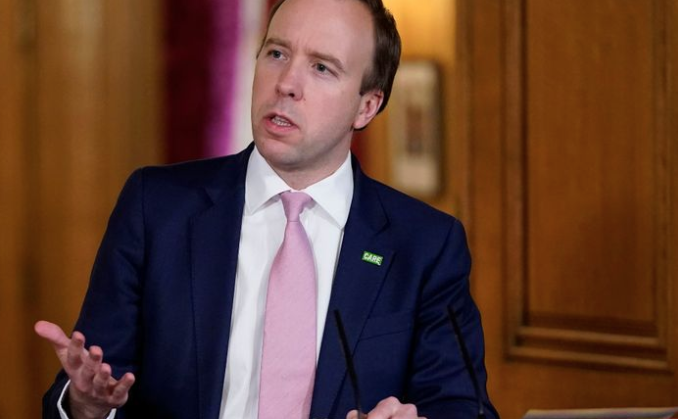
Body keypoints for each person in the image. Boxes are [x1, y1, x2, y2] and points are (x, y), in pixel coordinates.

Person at [36, 0, 498, 417]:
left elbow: (463, 407)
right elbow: (92, 382)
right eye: (276, 53)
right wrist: (86, 405)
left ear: (367, 106)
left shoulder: (425, 245)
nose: (286, 84)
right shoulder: (156, 208)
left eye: (322, 67)